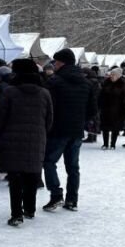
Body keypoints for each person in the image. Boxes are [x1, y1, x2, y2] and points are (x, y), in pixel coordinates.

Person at [0, 59, 53, 227]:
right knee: (32, 174)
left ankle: (16, 214)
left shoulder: (10, 91)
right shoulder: (44, 93)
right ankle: (29, 209)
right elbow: (49, 119)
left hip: (12, 138)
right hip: (37, 137)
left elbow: (2, 116)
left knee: (15, 178)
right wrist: (41, 132)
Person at [42, 49, 97, 212]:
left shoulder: (54, 82)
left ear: (62, 63)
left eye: (56, 62)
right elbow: (93, 110)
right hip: (76, 130)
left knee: (49, 162)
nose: (54, 65)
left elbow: (48, 107)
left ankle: (56, 195)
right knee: (73, 167)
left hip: (57, 129)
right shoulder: (86, 83)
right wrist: (80, 120)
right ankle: (72, 199)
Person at [97, 67, 125, 149]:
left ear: (118, 76)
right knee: (105, 128)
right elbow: (101, 96)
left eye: (114, 75)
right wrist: (99, 105)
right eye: (111, 74)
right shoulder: (106, 83)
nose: (111, 76)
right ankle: (105, 144)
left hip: (117, 110)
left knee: (115, 128)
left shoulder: (122, 85)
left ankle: (113, 144)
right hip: (106, 109)